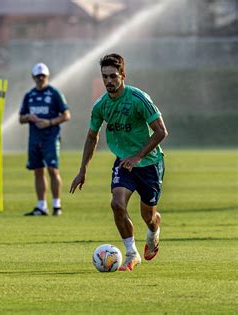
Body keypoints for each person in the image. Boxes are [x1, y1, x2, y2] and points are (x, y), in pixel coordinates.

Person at [70, 53, 168, 271]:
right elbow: (91, 137)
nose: (108, 81)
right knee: (117, 204)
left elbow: (161, 132)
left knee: (148, 216)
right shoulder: (101, 106)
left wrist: (138, 156)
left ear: (123, 75)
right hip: (124, 163)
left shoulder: (138, 98)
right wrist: (82, 171)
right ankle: (131, 254)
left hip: (150, 163)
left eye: (113, 76)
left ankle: (154, 230)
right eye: (104, 77)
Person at [19, 63, 71, 216]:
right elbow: (21, 118)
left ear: (47, 76)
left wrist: (49, 122)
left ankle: (57, 205)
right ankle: (41, 206)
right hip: (34, 138)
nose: (40, 79)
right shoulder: (29, 95)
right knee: (37, 171)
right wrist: (29, 117)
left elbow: (66, 114)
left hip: (51, 138)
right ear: (33, 77)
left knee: (53, 170)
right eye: (37, 76)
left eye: (43, 76)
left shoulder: (54, 93)